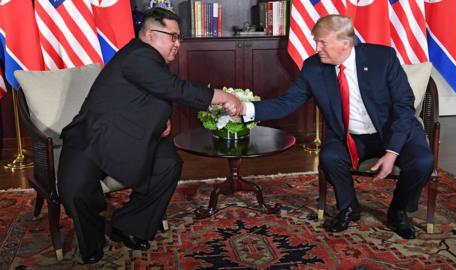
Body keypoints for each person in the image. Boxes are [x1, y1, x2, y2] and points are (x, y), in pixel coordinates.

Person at [58, 8, 242, 264]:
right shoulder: (139, 55)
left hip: (134, 134)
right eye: (173, 37)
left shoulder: (150, 60)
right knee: (75, 190)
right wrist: (224, 97)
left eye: (180, 38)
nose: (178, 44)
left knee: (169, 166)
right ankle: (93, 240)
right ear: (150, 35)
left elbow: (151, 93)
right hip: (94, 136)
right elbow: (174, 89)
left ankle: (128, 224)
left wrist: (160, 118)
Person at [237, 15, 433, 240]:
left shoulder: (383, 58)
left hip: (393, 131)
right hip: (351, 136)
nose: (317, 48)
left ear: (345, 43)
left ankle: (398, 210)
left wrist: (392, 152)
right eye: (316, 41)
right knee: (330, 157)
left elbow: (403, 106)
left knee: (422, 161)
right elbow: (287, 103)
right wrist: (244, 109)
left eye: (322, 42)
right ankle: (349, 208)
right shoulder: (313, 67)